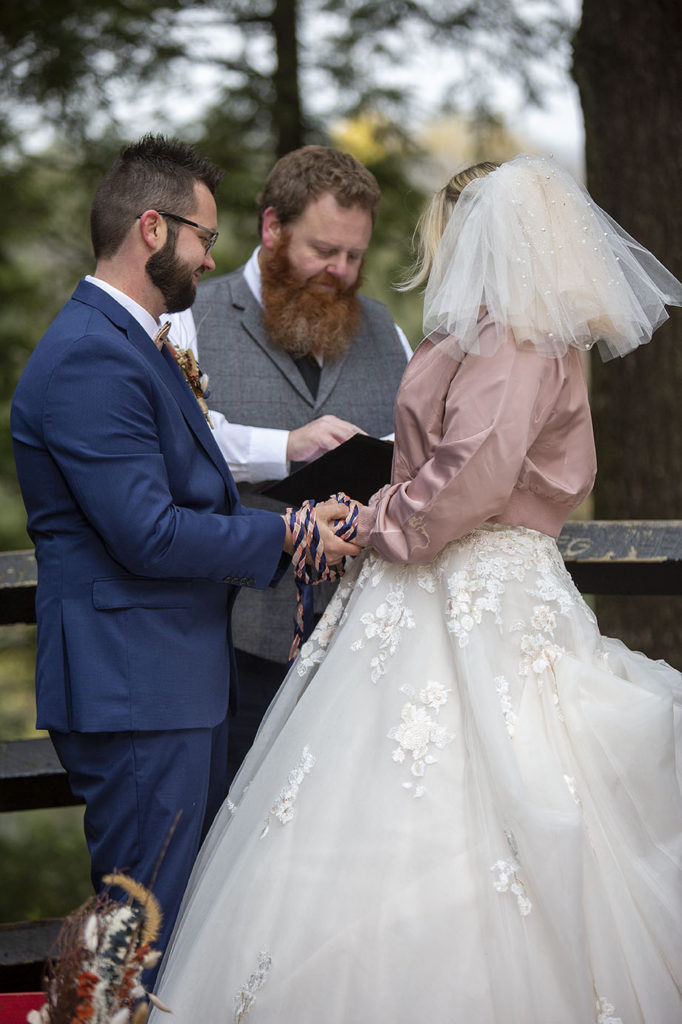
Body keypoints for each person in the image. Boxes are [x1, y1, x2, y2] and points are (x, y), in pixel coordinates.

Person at [151, 154, 682, 1022]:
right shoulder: (484, 332)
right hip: (407, 587)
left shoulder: (515, 338)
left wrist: (373, 523)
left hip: (472, 585)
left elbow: (471, 473)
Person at [9, 134, 358, 966]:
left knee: (180, 932)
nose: (212, 257)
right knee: (138, 941)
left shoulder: (138, 341)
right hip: (134, 690)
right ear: (153, 230)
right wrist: (289, 532)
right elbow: (149, 533)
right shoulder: (92, 356)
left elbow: (187, 474)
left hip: (171, 681)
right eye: (204, 234)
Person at [169, 145, 411, 780]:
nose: (339, 269)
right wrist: (287, 446)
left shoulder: (388, 331)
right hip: (236, 642)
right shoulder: (189, 318)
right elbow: (181, 444)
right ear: (273, 228)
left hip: (367, 641)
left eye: (354, 256)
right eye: (323, 250)